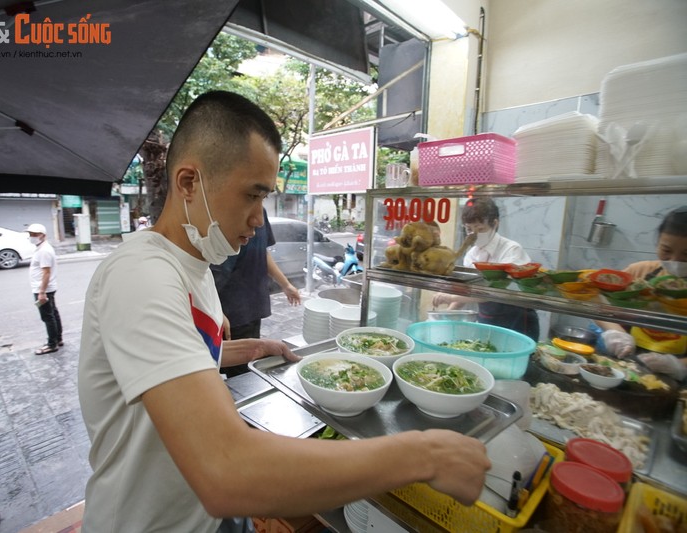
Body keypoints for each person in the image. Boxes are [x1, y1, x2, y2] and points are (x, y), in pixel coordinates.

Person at [77, 90, 490, 533]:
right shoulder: (141, 275)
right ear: (188, 183)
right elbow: (224, 470)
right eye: (252, 196)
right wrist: (424, 455)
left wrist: (249, 348)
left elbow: (181, 358)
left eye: (266, 199)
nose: (259, 220)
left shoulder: (195, 267)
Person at [594, 206, 687, 381]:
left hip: (678, 377)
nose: (675, 261)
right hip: (628, 362)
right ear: (658, 242)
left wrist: (680, 366)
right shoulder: (641, 272)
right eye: (666, 251)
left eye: (686, 254)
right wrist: (615, 332)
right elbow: (599, 304)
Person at [432, 198, 540, 341]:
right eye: (469, 229)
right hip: (488, 318)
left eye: (480, 229)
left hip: (517, 320)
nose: (474, 235)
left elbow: (493, 292)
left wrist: (450, 296)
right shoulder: (472, 254)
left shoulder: (511, 250)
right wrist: (448, 314)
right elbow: (469, 290)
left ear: (495, 224)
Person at [211, 208, 300, 376]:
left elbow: (261, 250)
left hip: (252, 305)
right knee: (231, 371)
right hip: (229, 311)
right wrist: (214, 307)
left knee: (248, 366)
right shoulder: (225, 211)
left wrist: (285, 284)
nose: (258, 221)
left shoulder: (261, 211)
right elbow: (211, 269)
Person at [26, 223, 63, 355]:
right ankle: (58, 339)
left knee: (47, 316)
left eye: (35, 234)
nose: (32, 237)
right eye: (31, 234)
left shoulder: (44, 251)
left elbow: (46, 272)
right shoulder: (41, 248)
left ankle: (52, 344)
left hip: (43, 288)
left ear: (43, 235)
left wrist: (42, 292)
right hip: (46, 287)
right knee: (53, 313)